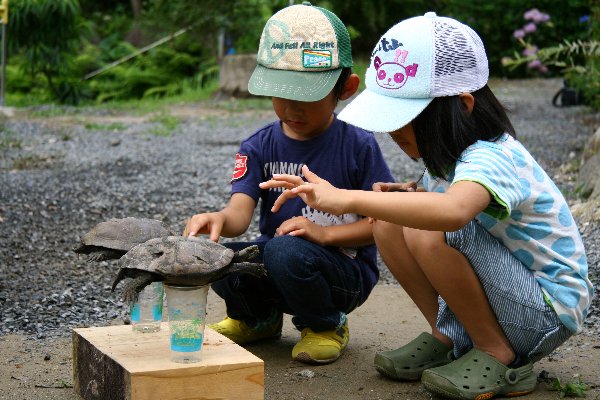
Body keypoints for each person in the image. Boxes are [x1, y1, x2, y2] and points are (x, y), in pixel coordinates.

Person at [260, 12, 594, 399]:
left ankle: (496, 352)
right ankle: (448, 334)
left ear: (463, 107)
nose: (392, 131)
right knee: (388, 220)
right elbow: (426, 210)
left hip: (544, 313)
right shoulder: (446, 162)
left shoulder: (492, 156)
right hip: (511, 300)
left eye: (406, 119)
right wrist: (399, 200)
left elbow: (453, 213)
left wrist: (347, 197)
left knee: (429, 224)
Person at [183, 2, 394, 365]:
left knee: (283, 250)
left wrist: (324, 234)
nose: (292, 109)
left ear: (345, 88)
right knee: (221, 260)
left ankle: (326, 324)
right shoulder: (258, 145)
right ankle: (257, 319)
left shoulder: (358, 145)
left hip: (341, 274)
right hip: (281, 267)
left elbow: (383, 223)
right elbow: (240, 212)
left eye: (306, 97)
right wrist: (218, 219)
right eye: (281, 95)